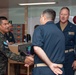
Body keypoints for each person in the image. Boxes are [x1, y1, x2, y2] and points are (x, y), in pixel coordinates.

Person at [32, 9, 65, 75]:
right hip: (59, 70)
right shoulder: (60, 32)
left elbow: (37, 48)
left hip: (43, 70)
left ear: (43, 17)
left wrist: (50, 64)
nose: (40, 19)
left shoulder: (40, 29)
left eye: (40, 17)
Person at [56, 7, 76, 75]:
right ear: (59, 15)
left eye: (65, 14)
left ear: (68, 15)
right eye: (61, 14)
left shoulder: (74, 28)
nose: (63, 16)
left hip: (69, 57)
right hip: (57, 57)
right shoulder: (54, 27)